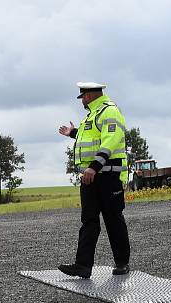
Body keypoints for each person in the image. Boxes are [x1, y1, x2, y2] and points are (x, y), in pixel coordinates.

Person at [58, 82, 130, 279]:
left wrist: (94, 167)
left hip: (107, 175)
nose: (82, 101)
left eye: (83, 97)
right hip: (90, 177)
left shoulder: (109, 111)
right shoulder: (92, 115)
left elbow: (111, 141)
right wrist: (72, 133)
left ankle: (122, 263)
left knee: (113, 219)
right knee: (89, 220)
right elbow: (90, 138)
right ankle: (83, 266)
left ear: (88, 96)